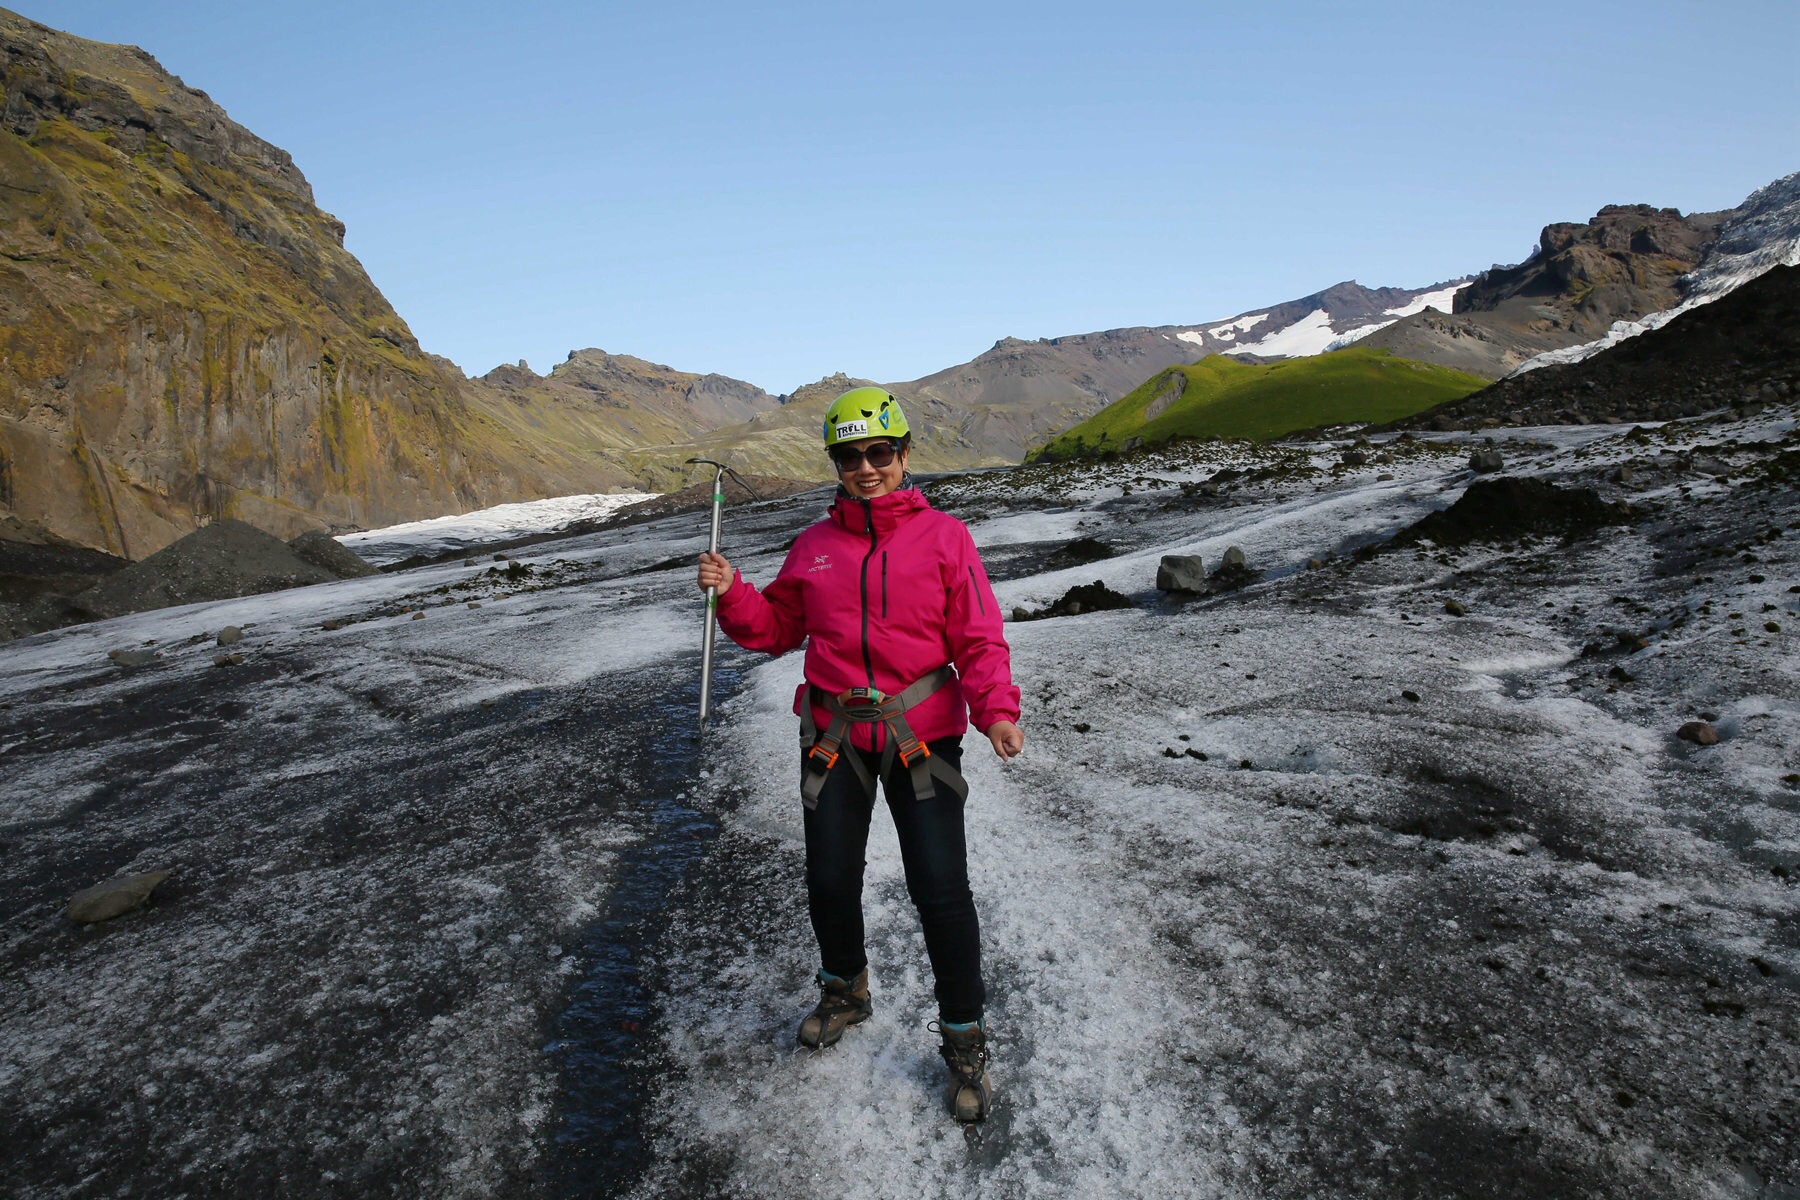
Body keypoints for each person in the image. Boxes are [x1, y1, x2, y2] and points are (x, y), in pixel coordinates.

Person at [695, 386, 1023, 1123]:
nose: (866, 468)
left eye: (879, 452)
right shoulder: (813, 546)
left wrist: (997, 710)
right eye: (850, 456)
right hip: (833, 736)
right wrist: (733, 593)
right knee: (829, 875)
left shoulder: (945, 539)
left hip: (921, 737)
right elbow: (777, 627)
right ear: (837, 464)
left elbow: (978, 635)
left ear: (904, 455)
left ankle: (963, 1039)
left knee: (940, 888)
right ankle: (844, 989)